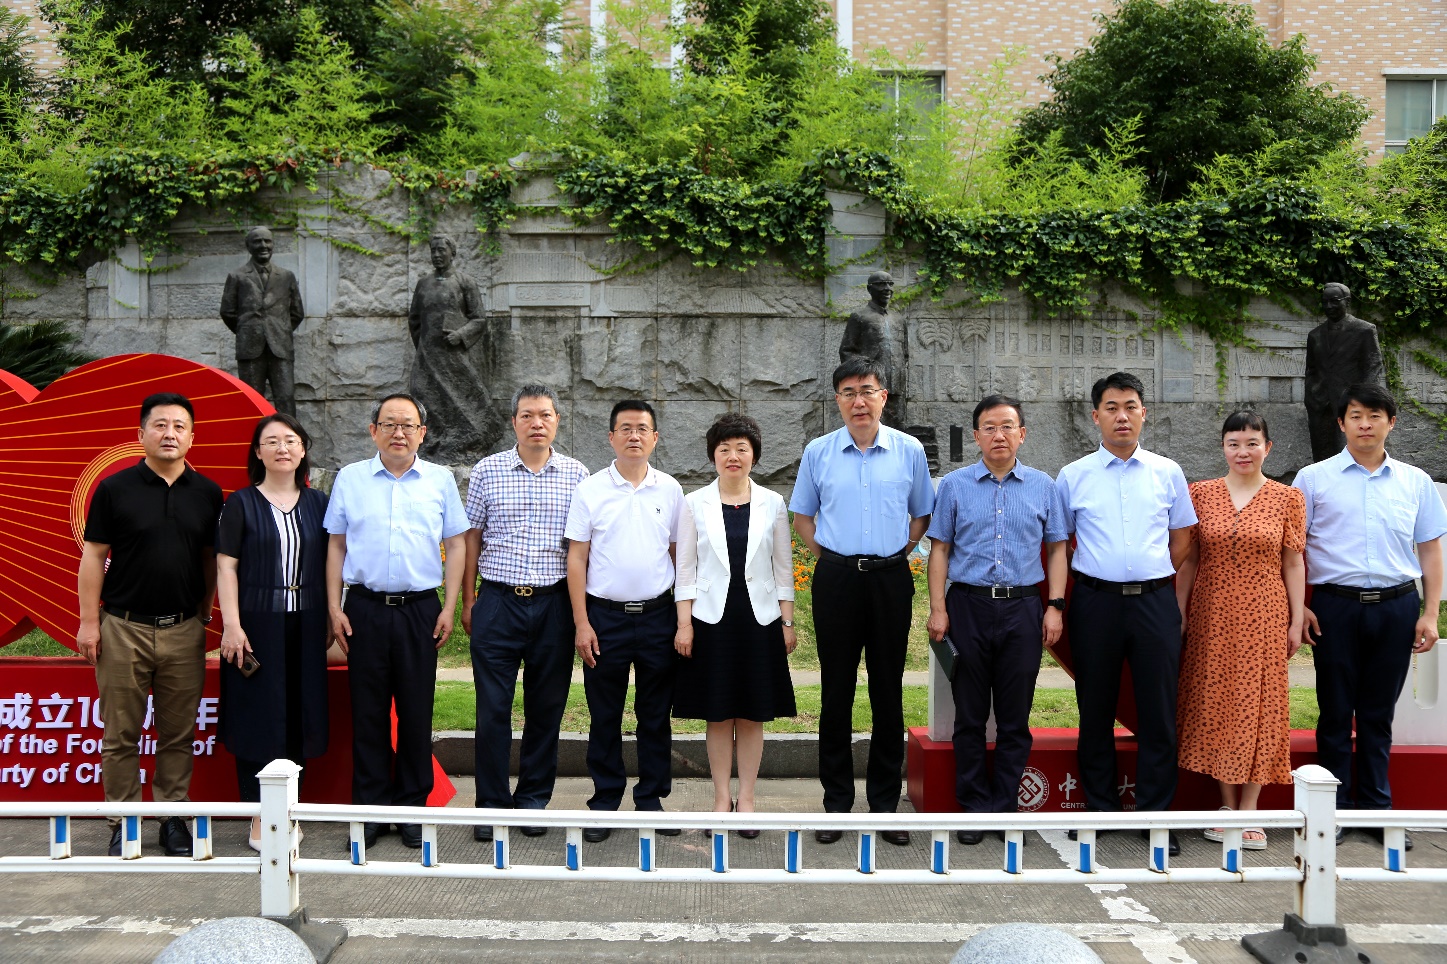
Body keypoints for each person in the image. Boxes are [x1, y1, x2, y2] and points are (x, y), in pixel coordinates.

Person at [1294, 384, 1446, 850]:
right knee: (1335, 710)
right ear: (1341, 423)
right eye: (1356, 415)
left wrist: (1430, 613)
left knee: (1379, 713)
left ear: (1390, 423)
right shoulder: (1313, 479)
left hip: (1397, 606)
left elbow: (1430, 549)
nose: (1365, 424)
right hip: (1334, 607)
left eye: (1375, 415)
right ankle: (1334, 811)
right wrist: (1299, 605)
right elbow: (1293, 550)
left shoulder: (1414, 481)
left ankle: (1378, 809)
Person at [790, 356, 934, 846]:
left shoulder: (909, 450)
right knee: (836, 691)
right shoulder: (819, 452)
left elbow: (921, 515)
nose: (859, 401)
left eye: (867, 391)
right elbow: (803, 518)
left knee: (887, 691)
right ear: (838, 400)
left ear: (883, 397)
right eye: (848, 392)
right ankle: (836, 805)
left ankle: (885, 807)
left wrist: (898, 552)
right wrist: (833, 559)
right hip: (836, 581)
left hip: (890, 579)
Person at [1055, 371, 1196, 856]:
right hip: (1095, 603)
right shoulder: (1073, 476)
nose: (1122, 416)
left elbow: (1182, 538)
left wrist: (1152, 574)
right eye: (1111, 407)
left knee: (1159, 711)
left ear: (1143, 413)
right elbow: (1060, 543)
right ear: (1095, 416)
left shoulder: (1167, 472)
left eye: (1130, 406)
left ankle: (1155, 817)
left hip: (1154, 602)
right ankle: (1101, 810)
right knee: (1095, 709)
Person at [76, 393, 224, 857]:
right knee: (120, 733)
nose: (169, 434)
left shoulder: (207, 493)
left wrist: (204, 613)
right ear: (141, 434)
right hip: (123, 627)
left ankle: (172, 818)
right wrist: (89, 622)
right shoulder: (114, 488)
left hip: (183, 629)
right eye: (160, 425)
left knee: (178, 733)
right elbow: (93, 556)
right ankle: (124, 821)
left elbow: (209, 560)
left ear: (192, 438)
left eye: (179, 426)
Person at [325, 393, 469, 850]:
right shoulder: (351, 478)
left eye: (408, 424)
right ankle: (370, 811)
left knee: (415, 712)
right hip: (363, 609)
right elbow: (336, 545)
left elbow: (457, 544)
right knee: (367, 714)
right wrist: (334, 607)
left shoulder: (439, 480)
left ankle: (411, 809)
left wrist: (448, 606)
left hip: (419, 609)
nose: (398, 433)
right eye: (389, 424)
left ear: (422, 433)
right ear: (374, 431)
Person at [925, 394, 1067, 844]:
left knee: (1014, 718)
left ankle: (1006, 809)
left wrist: (1055, 605)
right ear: (976, 436)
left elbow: (1057, 549)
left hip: (1023, 609)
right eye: (989, 427)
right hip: (968, 607)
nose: (998, 435)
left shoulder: (1043, 486)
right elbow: (939, 549)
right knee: (969, 716)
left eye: (1007, 426)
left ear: (1022, 433)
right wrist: (938, 608)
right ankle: (972, 809)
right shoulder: (954, 486)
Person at [461, 384, 588, 842]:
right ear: (514, 421)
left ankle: (533, 800)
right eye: (528, 415)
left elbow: (582, 546)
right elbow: (471, 537)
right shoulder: (488, 470)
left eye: (545, 415)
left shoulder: (577, 474)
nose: (537, 423)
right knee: (492, 709)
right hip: (498, 602)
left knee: (546, 709)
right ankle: (491, 805)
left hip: (554, 604)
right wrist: (469, 600)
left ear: (557, 421)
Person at [1174, 411, 1305, 850]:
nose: (1243, 451)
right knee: (1217, 703)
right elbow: (1190, 559)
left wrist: (1296, 618)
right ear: (1223, 447)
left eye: (1252, 443)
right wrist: (1180, 611)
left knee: (1260, 706)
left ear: (1267, 447)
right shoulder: (1200, 493)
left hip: (1265, 615)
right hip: (1211, 613)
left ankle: (1250, 810)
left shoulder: (1288, 498)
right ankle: (1226, 807)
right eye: (1234, 443)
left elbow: (1293, 562)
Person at [565, 400, 685, 842]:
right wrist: (582, 623)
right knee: (604, 714)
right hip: (604, 619)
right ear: (611, 437)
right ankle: (605, 800)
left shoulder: (670, 489)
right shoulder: (590, 490)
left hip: (658, 617)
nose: (634, 436)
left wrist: (683, 619)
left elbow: (679, 555)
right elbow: (576, 559)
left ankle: (651, 799)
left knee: (655, 715)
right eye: (626, 428)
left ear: (655, 438)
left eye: (642, 429)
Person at [673, 413, 798, 835]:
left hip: (760, 619)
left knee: (751, 713)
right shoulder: (694, 503)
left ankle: (747, 798)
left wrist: (787, 621)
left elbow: (783, 567)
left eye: (741, 448)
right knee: (718, 713)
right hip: (712, 619)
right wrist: (684, 623)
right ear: (713, 455)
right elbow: (685, 568)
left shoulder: (772, 502)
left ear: (753, 456)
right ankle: (720, 798)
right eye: (724, 448)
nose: (733, 456)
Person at [215, 413, 331, 852]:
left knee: (299, 715)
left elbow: (335, 561)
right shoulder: (241, 503)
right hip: (256, 625)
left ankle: (290, 811)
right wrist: (232, 625)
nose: (282, 448)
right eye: (272, 441)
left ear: (302, 451)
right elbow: (226, 566)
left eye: (291, 441)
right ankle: (260, 816)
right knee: (257, 717)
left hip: (307, 622)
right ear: (258, 452)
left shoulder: (320, 504)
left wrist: (331, 614)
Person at [408, 234, 505, 463]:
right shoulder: (423, 284)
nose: (437, 255)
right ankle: (431, 447)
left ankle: (467, 444)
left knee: (464, 399)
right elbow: (414, 320)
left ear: (452, 253)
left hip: (454, 355)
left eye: (441, 250)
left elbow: (479, 319)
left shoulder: (465, 282)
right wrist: (424, 347)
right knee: (423, 397)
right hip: (427, 356)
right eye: (433, 250)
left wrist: (460, 335)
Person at [220, 226, 305, 416]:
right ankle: (251, 435)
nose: (263, 245)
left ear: (273, 244)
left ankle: (288, 434)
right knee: (251, 400)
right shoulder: (237, 276)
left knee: (285, 398)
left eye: (267, 241)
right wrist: (247, 331)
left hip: (280, 347)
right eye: (257, 241)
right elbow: (227, 312)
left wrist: (280, 330)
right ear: (248, 246)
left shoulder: (286, 276)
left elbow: (297, 313)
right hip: (249, 348)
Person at [1304, 283, 1387, 463]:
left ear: (1347, 302)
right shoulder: (1315, 335)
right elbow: (1311, 370)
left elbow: (1373, 366)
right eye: (1325, 302)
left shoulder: (1364, 330)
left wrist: (1362, 400)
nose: (1329, 306)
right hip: (1320, 406)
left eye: (1334, 301)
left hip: (1350, 404)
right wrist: (1311, 398)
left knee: (1352, 454)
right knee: (1321, 457)